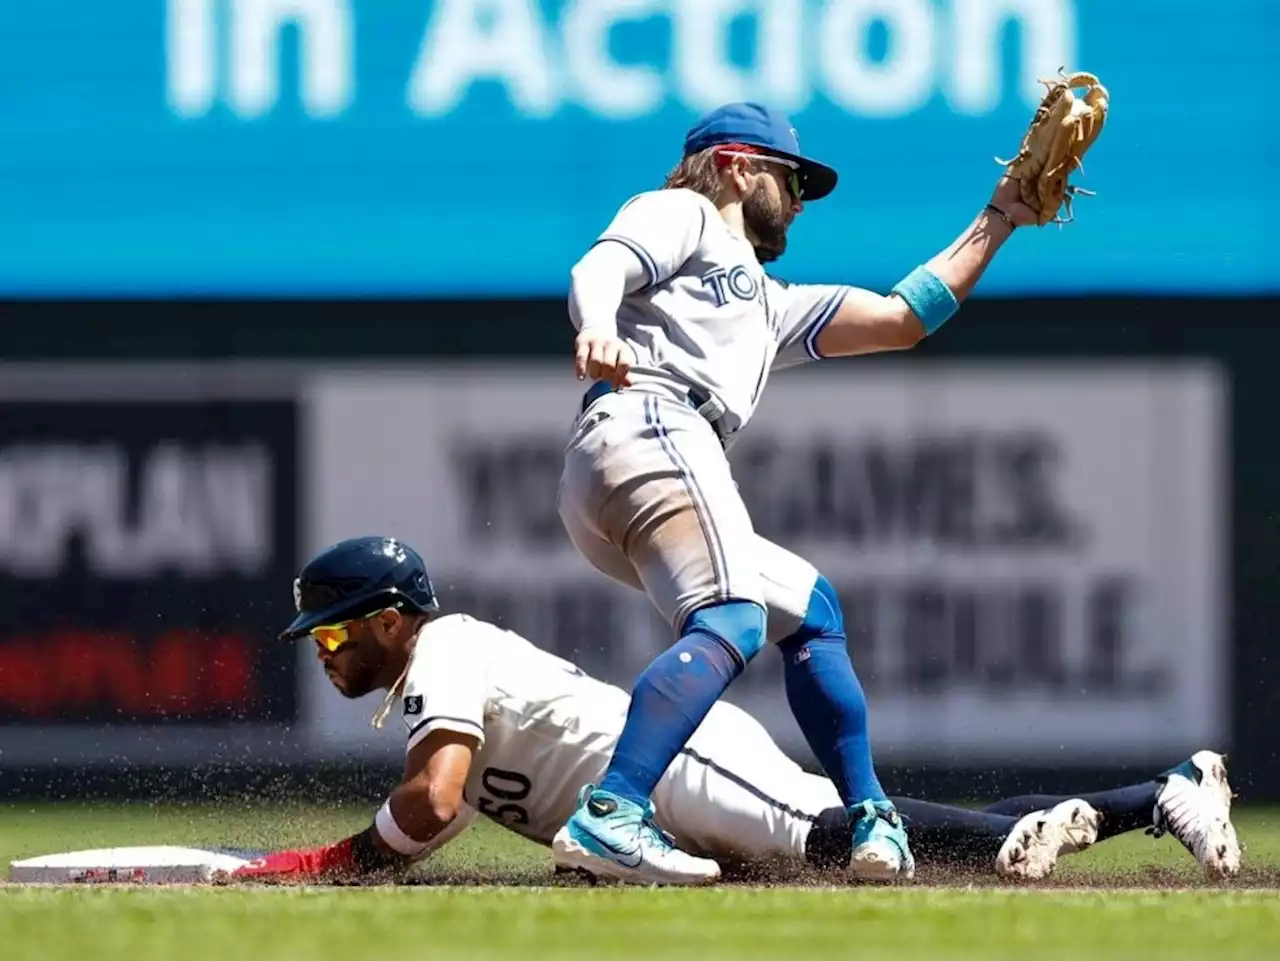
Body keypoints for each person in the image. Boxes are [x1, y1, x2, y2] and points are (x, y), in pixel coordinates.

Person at [556, 101, 1050, 883]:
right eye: (789, 178)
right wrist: (598, 322)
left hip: (637, 461)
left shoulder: (768, 301)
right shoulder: (684, 212)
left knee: (810, 608)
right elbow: (600, 265)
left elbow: (902, 317)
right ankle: (612, 811)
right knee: (730, 617)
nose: (798, 198)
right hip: (648, 418)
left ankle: (870, 819)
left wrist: (1002, 217)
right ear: (733, 164)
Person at [231, 537, 1242, 886]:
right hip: (659, 793)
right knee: (868, 840)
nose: (327, 651)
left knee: (850, 839)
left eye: (332, 632)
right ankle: (1150, 794)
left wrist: (330, 864)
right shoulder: (434, 659)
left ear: (391, 618)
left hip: (679, 764)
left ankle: (1160, 791)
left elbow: (434, 799)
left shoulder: (442, 646)